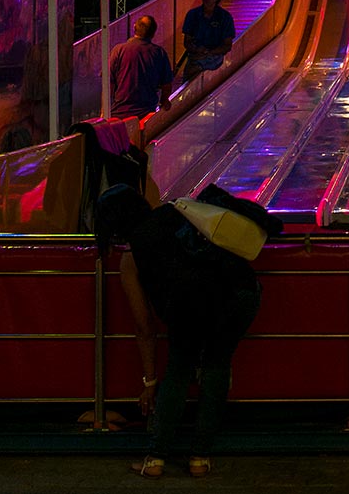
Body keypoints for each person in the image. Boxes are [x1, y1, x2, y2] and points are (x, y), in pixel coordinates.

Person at [95, 178, 281, 478]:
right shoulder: (179, 210)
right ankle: (200, 458)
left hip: (187, 308)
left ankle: (155, 459)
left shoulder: (131, 257)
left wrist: (149, 383)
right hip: (237, 294)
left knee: (179, 370)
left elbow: (144, 326)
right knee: (217, 364)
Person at [109, 15, 174, 118]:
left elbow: (109, 81)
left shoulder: (118, 50)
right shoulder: (159, 53)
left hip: (119, 112)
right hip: (147, 114)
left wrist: (106, 109)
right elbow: (167, 84)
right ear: (153, 34)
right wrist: (164, 100)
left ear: (134, 27)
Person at [181, 0, 235, 82]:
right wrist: (197, 50)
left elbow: (227, 45)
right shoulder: (193, 15)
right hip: (196, 55)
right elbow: (186, 41)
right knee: (189, 73)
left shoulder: (224, 17)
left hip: (214, 56)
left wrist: (210, 52)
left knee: (193, 70)